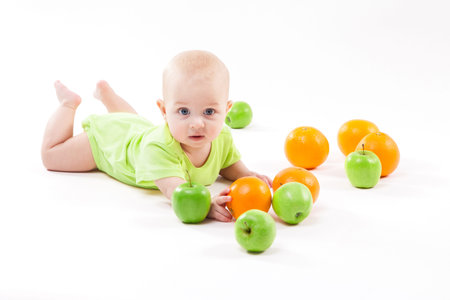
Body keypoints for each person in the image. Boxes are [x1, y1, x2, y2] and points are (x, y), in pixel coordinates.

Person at [41, 50, 272, 222]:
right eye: (183, 111)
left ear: (227, 110)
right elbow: (177, 192)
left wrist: (247, 175)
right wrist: (206, 205)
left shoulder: (222, 136)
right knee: (52, 156)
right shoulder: (158, 149)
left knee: (131, 121)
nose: (197, 123)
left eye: (209, 112)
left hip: (137, 128)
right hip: (109, 145)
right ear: (164, 111)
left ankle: (106, 94)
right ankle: (68, 104)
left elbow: (227, 163)